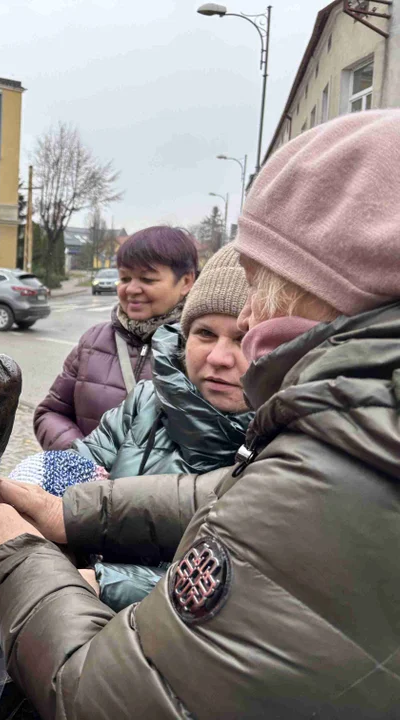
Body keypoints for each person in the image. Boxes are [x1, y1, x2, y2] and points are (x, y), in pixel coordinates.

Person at [0, 110, 400, 718]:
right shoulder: (142, 381)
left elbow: (116, 688)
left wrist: (35, 562)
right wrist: (62, 491)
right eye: (204, 335)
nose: (235, 344)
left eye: (263, 285)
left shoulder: (307, 441)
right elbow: (69, 431)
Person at [72, 243, 252, 608]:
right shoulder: (144, 404)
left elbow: (245, 594)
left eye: (243, 339)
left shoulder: (289, 444)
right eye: (204, 334)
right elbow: (69, 482)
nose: (218, 358)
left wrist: (101, 582)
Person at [34, 226, 198, 451]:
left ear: (186, 281)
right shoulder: (94, 341)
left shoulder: (202, 349)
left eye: (147, 279)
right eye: (125, 278)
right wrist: (80, 456)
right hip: (86, 484)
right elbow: (50, 413)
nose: (131, 289)